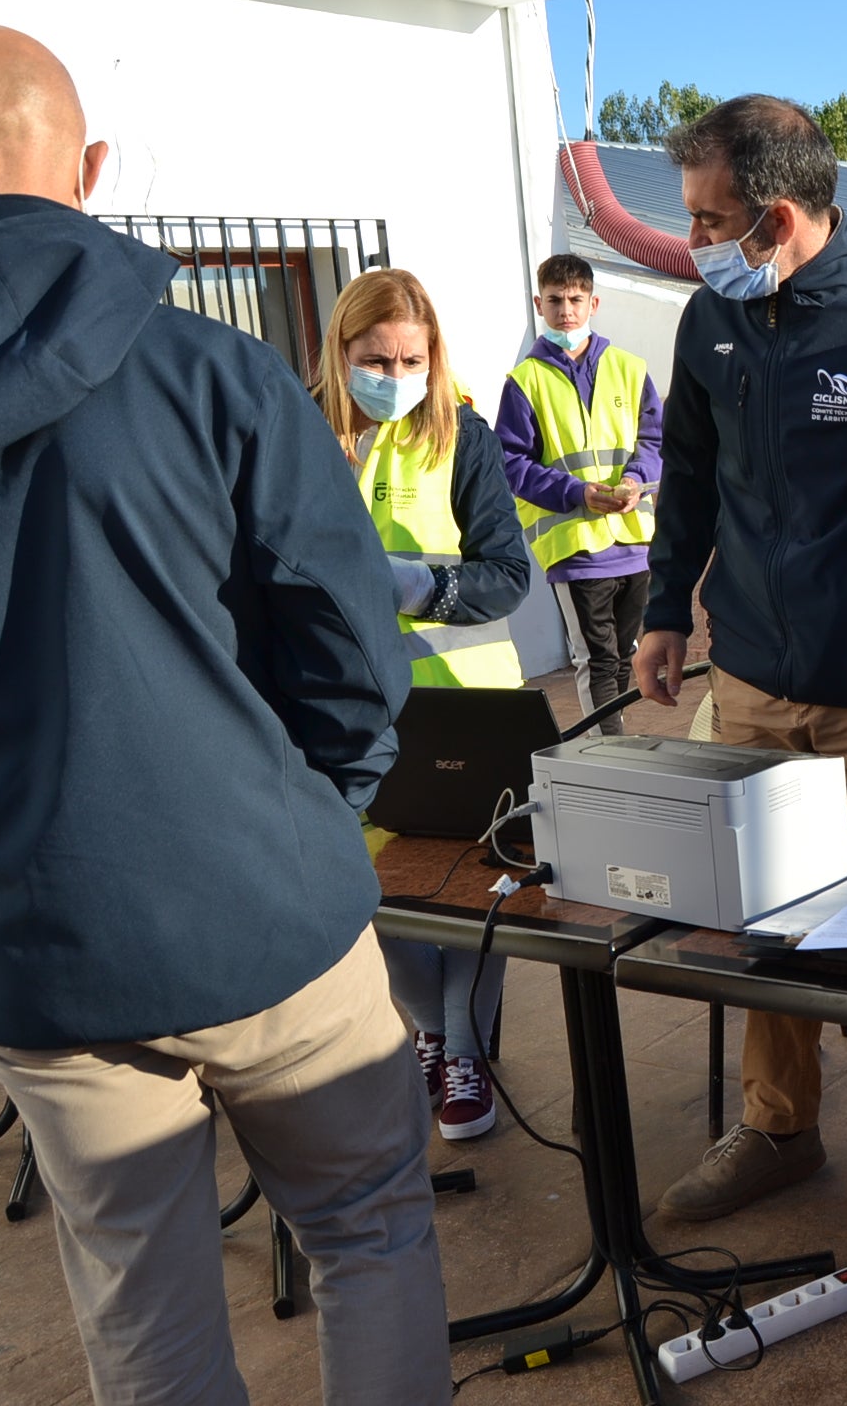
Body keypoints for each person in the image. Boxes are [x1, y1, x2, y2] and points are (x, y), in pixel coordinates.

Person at [0, 26, 448, 1403]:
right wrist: (308, 808)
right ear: (96, 170)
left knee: (142, 1309)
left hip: (41, 941)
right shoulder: (216, 371)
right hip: (272, 912)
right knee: (369, 1232)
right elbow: (352, 642)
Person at [632, 96, 847, 1240]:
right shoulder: (708, 324)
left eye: (713, 220)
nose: (696, 242)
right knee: (757, 910)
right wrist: (667, 608)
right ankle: (778, 1125)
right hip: (753, 674)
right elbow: (689, 477)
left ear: (777, 216)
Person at [313, 267, 530, 1140]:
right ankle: (433, 1035)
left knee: (475, 889)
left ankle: (468, 1050)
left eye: (412, 357)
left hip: (461, 701)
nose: (395, 375)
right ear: (341, 352)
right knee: (378, 891)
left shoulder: (461, 434)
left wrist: (408, 584)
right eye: (376, 358)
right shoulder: (300, 435)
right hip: (345, 710)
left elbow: (508, 573)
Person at [497, 253, 662, 733]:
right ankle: (606, 760)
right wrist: (576, 493)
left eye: (574, 299)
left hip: (634, 543)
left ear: (594, 302)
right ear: (538, 304)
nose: (565, 310)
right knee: (597, 658)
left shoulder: (630, 369)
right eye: (554, 300)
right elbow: (511, 463)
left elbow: (653, 441)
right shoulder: (523, 381)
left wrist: (635, 481)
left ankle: (615, 748)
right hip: (575, 548)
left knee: (622, 657)